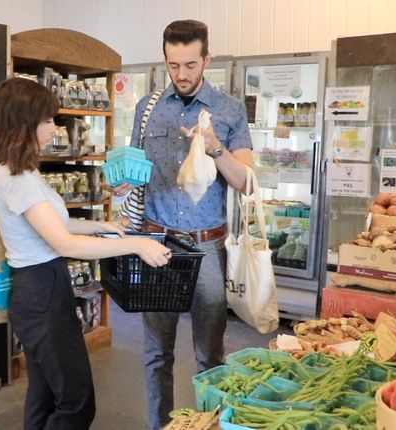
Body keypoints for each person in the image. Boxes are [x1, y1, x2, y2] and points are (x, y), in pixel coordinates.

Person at [0, 77, 173, 430]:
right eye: (47, 120)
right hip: (41, 292)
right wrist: (136, 243)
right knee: (76, 401)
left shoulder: (13, 171)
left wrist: (103, 226)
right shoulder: (20, 178)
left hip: (37, 288)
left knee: (44, 392)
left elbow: (56, 226)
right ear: (24, 123)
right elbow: (64, 244)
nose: (54, 129)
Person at [111, 20, 255, 430]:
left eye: (191, 64)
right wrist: (124, 183)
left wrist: (215, 147)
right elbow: (136, 171)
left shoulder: (227, 110)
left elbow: (245, 181)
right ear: (165, 61)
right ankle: (161, 425)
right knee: (157, 354)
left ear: (206, 59)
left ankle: (211, 425)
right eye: (174, 65)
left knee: (210, 356)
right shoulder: (148, 107)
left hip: (206, 248)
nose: (183, 74)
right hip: (154, 241)